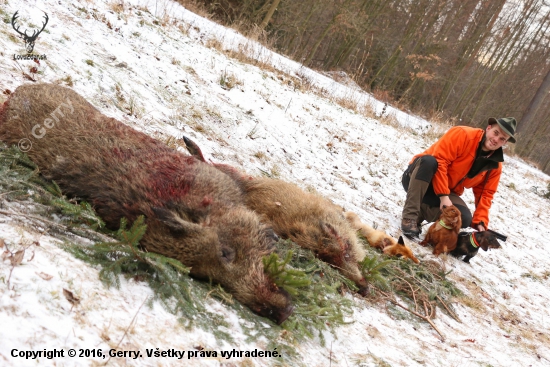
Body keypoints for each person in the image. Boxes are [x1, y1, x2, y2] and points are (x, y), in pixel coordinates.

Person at [400, 117, 517, 238]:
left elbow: (486, 194)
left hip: (444, 193)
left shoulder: (495, 166)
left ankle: (420, 213)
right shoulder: (463, 134)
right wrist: (443, 196)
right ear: (488, 128)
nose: (496, 139)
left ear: (505, 143)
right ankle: (409, 217)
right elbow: (440, 161)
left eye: (502, 139)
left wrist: (480, 222)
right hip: (419, 177)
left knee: (464, 218)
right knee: (429, 161)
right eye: (495, 133)